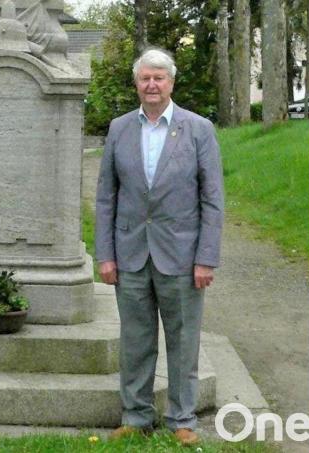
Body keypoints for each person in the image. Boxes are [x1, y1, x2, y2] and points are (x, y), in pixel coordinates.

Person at [95, 48, 224, 446]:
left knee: (184, 342)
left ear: (171, 82)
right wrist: (105, 254)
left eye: (159, 78)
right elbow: (106, 197)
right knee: (135, 341)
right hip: (130, 254)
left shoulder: (198, 129)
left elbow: (212, 198)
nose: (152, 85)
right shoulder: (119, 129)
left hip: (183, 258)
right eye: (145, 78)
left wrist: (206, 258)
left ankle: (181, 419)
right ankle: (136, 416)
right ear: (136, 83)